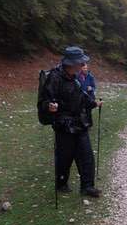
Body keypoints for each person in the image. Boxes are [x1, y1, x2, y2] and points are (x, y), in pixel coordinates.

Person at [41, 46, 103, 198]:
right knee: (65, 157)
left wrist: (94, 103)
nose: (83, 66)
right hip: (63, 124)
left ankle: (87, 187)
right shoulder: (54, 77)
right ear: (71, 63)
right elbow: (45, 100)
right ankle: (61, 183)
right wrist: (50, 106)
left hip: (79, 122)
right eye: (80, 63)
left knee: (86, 154)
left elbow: (81, 97)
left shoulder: (74, 77)